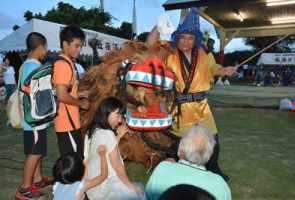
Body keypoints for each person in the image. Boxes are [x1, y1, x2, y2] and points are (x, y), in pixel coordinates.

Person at [146, 7, 235, 181]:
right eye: (183, 37)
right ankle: (176, 175)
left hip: (202, 106)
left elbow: (212, 68)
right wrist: (158, 26)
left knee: (212, 141)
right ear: (177, 36)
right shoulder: (168, 51)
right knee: (178, 145)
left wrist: (224, 69)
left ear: (196, 39)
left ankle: (213, 170)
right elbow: (149, 46)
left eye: (191, 38)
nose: (186, 42)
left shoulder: (203, 53)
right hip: (179, 107)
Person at [145, 125, 231, 200]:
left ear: (181, 153)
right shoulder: (220, 184)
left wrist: (165, 166)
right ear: (208, 157)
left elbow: (148, 195)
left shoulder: (162, 169)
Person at [15, 32, 54, 200]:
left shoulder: (28, 64)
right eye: (45, 48)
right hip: (34, 121)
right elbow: (32, 92)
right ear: (40, 47)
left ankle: (37, 181)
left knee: (37, 150)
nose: (46, 51)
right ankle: (24, 189)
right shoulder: (33, 67)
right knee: (35, 153)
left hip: (33, 120)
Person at [83, 97, 146, 200]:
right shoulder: (107, 134)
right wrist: (130, 186)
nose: (120, 120)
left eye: (121, 116)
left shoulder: (91, 129)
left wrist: (118, 136)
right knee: (140, 194)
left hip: (93, 188)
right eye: (117, 115)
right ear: (106, 112)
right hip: (107, 187)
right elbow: (117, 166)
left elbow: (87, 160)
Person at [52, 25, 90, 159]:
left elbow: (62, 91)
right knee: (74, 161)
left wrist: (79, 94)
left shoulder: (67, 63)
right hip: (67, 122)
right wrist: (81, 103)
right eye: (76, 45)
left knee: (73, 160)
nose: (79, 50)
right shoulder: (63, 65)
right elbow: (62, 95)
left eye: (81, 46)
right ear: (64, 44)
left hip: (68, 121)